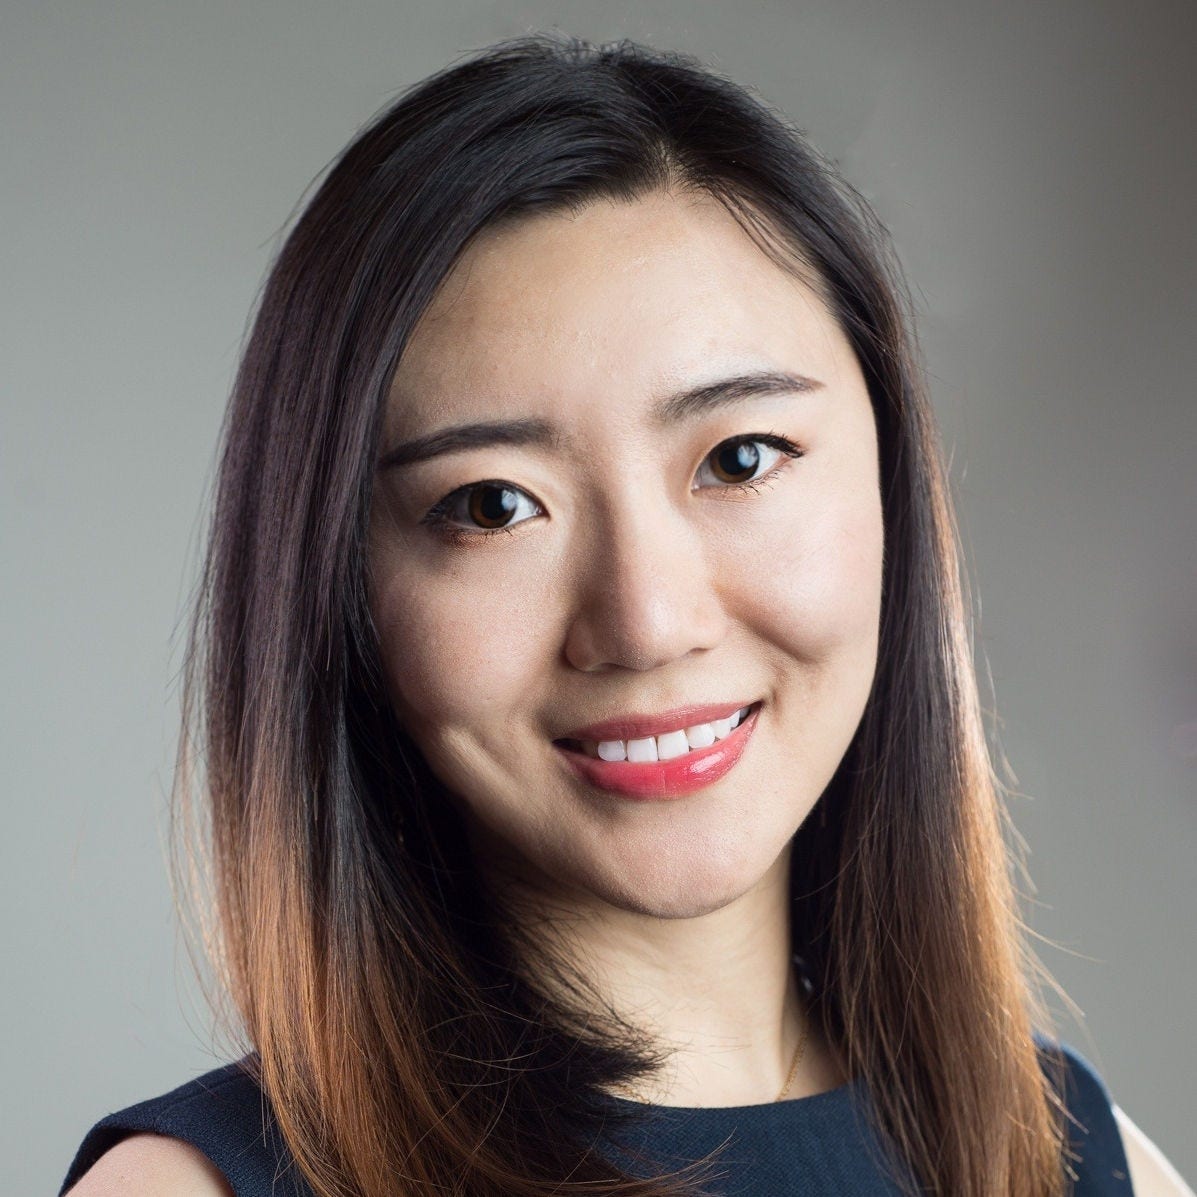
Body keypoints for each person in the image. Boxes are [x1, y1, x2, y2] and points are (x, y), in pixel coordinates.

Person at [61, 32, 1191, 1197]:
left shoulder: (1082, 1162)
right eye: (494, 505)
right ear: (343, 591)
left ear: (893, 483)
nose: (646, 621)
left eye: (741, 458)